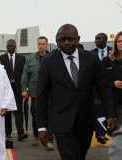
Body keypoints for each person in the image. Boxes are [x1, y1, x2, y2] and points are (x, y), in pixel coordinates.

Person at [36, 24, 113, 160]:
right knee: (70, 157)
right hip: (61, 122)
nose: (66, 42)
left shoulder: (91, 59)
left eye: (70, 39)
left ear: (78, 39)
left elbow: (104, 88)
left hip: (86, 121)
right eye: (62, 39)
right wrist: (42, 127)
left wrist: (110, 114)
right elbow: (41, 95)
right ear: (57, 41)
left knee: (80, 155)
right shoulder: (48, 62)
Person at [21, 36, 54, 150]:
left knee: (50, 116)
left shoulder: (53, 58)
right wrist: (24, 89)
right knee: (36, 116)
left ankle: (49, 138)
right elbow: (25, 75)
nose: (41, 46)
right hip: (36, 93)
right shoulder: (30, 58)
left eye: (43, 44)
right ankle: (36, 136)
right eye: (39, 44)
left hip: (51, 94)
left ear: (47, 44)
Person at [0, 39, 27, 145]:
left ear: (15, 46)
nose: (10, 47)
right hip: (5, 90)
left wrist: (26, 89)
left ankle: (20, 133)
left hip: (19, 90)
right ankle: (8, 133)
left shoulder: (22, 58)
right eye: (9, 45)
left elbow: (25, 75)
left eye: (12, 45)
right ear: (6, 47)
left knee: (19, 112)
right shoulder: (1, 58)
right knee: (7, 113)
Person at [102, 31, 122, 160]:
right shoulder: (107, 60)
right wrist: (113, 83)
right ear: (115, 43)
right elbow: (102, 82)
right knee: (119, 139)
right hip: (116, 106)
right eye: (119, 41)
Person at [91, 33, 113, 144]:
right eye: (95, 38)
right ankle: (100, 134)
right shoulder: (91, 54)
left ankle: (103, 133)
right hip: (95, 89)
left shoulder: (113, 52)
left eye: (99, 38)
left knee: (107, 110)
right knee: (98, 110)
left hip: (110, 87)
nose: (96, 40)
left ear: (105, 40)